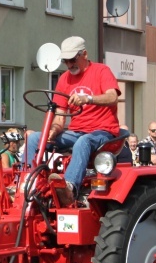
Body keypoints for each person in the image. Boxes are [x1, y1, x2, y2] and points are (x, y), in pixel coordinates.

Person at [24, 36, 120, 206]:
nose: (69, 65)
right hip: (75, 132)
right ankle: (30, 183)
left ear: (84, 54)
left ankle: (69, 187)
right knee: (33, 139)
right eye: (65, 61)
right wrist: (52, 132)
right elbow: (60, 117)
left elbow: (112, 97)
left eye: (72, 60)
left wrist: (88, 99)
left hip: (103, 131)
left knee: (83, 142)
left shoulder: (101, 71)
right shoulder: (64, 80)